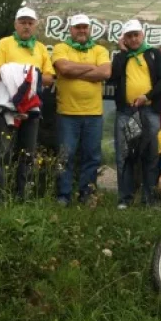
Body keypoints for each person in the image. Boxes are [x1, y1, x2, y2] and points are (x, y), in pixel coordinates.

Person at [0, 6, 55, 201]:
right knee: (3, 152)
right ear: (16, 24)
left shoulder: (40, 48)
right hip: (7, 107)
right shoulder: (4, 44)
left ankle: (22, 195)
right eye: (22, 22)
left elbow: (49, 77)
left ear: (35, 26)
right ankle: (0, 195)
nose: (26, 26)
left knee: (28, 153)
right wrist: (20, 74)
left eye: (30, 23)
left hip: (31, 109)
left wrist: (28, 76)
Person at [109, 19, 161, 209]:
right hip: (126, 111)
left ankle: (150, 199)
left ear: (142, 35)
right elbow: (113, 76)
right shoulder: (121, 57)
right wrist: (123, 51)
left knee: (151, 154)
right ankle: (125, 199)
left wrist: (147, 96)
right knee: (124, 155)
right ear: (125, 39)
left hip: (150, 110)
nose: (134, 39)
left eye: (136, 35)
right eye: (129, 36)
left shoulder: (154, 54)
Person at [51, 14, 111, 206]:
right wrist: (91, 68)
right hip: (67, 113)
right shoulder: (61, 48)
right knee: (65, 156)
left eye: (85, 27)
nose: (82, 30)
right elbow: (63, 69)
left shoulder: (100, 49)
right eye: (78, 27)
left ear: (89, 29)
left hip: (93, 114)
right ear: (71, 30)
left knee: (92, 157)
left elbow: (105, 72)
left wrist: (76, 70)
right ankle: (63, 195)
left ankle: (86, 195)